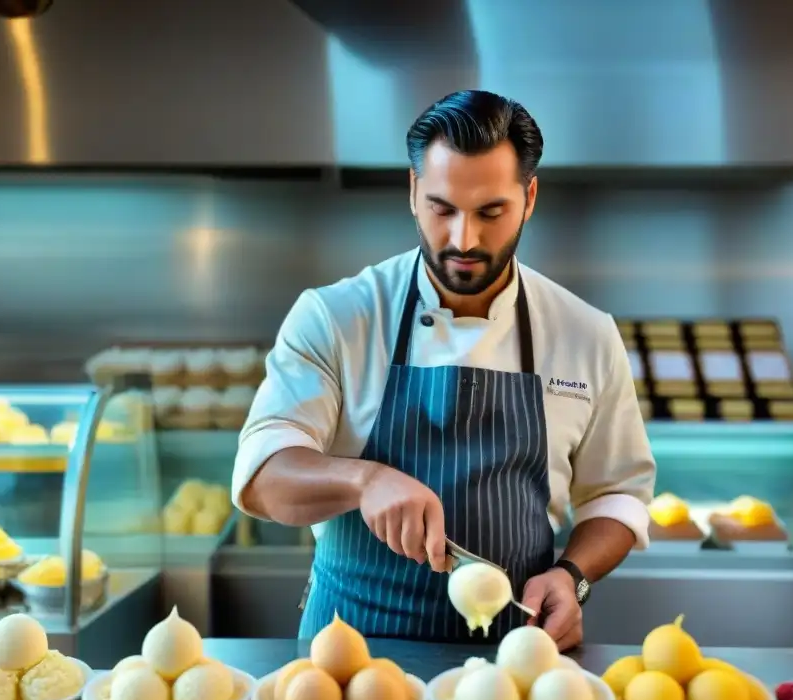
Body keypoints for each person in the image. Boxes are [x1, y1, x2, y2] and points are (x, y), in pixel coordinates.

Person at [231, 90, 655, 648]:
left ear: (529, 197)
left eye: (490, 212)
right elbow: (262, 478)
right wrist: (364, 480)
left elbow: (617, 496)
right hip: (349, 659)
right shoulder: (337, 316)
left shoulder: (585, 334)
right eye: (442, 207)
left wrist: (572, 578)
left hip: (515, 656)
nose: (464, 239)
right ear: (412, 192)